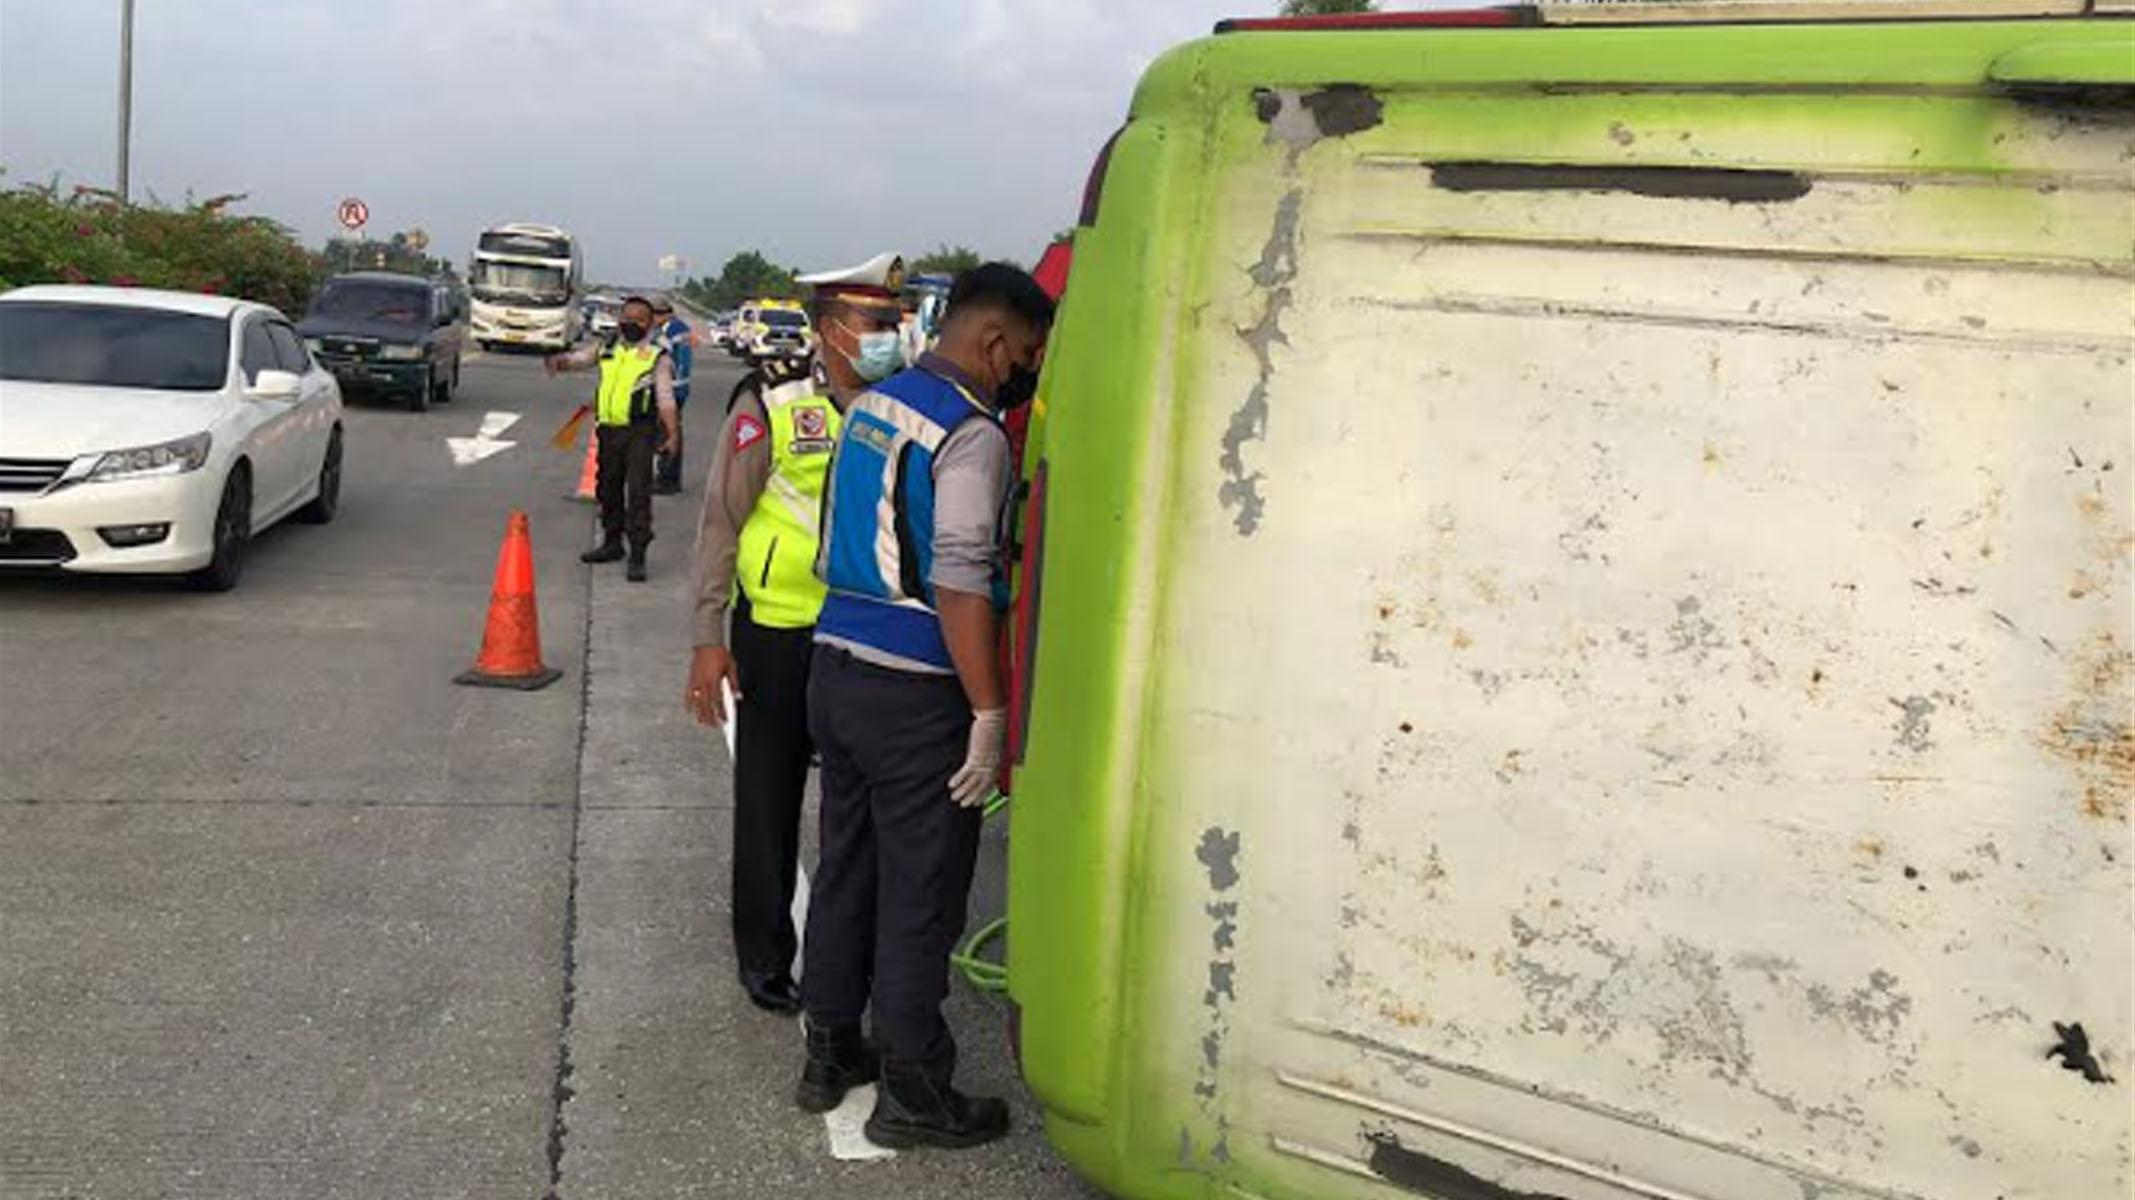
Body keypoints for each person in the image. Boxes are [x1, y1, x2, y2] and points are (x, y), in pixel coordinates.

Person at [798, 263, 1053, 1150]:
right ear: (993, 341)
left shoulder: (873, 403)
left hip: (833, 665)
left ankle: (829, 1049)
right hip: (915, 693)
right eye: (1025, 354)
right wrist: (989, 712)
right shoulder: (971, 433)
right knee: (921, 893)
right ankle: (915, 1089)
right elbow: (957, 582)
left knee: (847, 865)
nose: (1022, 371)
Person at [683, 253, 908, 1023]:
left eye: (894, 323)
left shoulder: (900, 406)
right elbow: (721, 518)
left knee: (858, 809)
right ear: (830, 329)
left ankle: (852, 955)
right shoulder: (772, 400)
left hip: (865, 637)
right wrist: (707, 636)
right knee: (769, 801)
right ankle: (765, 957)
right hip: (777, 632)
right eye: (874, 325)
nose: (887, 337)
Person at [545, 295, 679, 582]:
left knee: (638, 492)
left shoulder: (658, 354)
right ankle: (612, 543)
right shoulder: (608, 345)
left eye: (638, 320)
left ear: (650, 322)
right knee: (608, 487)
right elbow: (582, 359)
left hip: (640, 432)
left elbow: (666, 398)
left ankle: (638, 555)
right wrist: (561, 362)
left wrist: (672, 433)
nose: (630, 324)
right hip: (608, 429)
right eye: (626, 318)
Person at [652, 295, 694, 495]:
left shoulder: (669, 331)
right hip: (681, 386)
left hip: (672, 387)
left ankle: (667, 479)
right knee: (671, 431)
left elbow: (665, 359)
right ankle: (669, 476)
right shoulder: (681, 329)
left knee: (668, 433)